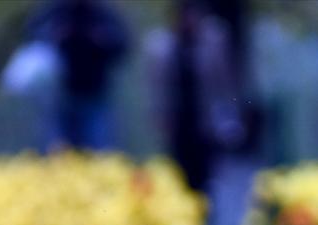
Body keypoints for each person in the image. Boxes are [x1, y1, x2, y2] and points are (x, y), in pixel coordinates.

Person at [146, 0, 244, 194]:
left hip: (205, 118)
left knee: (207, 168)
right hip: (179, 118)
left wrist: (230, 112)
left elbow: (225, 79)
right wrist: (159, 112)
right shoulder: (164, 45)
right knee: (179, 167)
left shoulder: (213, 41)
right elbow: (156, 83)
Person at [29, 0, 129, 150]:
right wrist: (54, 35)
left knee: (97, 146)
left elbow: (122, 45)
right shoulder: (58, 9)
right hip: (59, 94)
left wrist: (101, 40)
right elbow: (32, 32)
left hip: (94, 92)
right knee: (58, 148)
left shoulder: (101, 12)